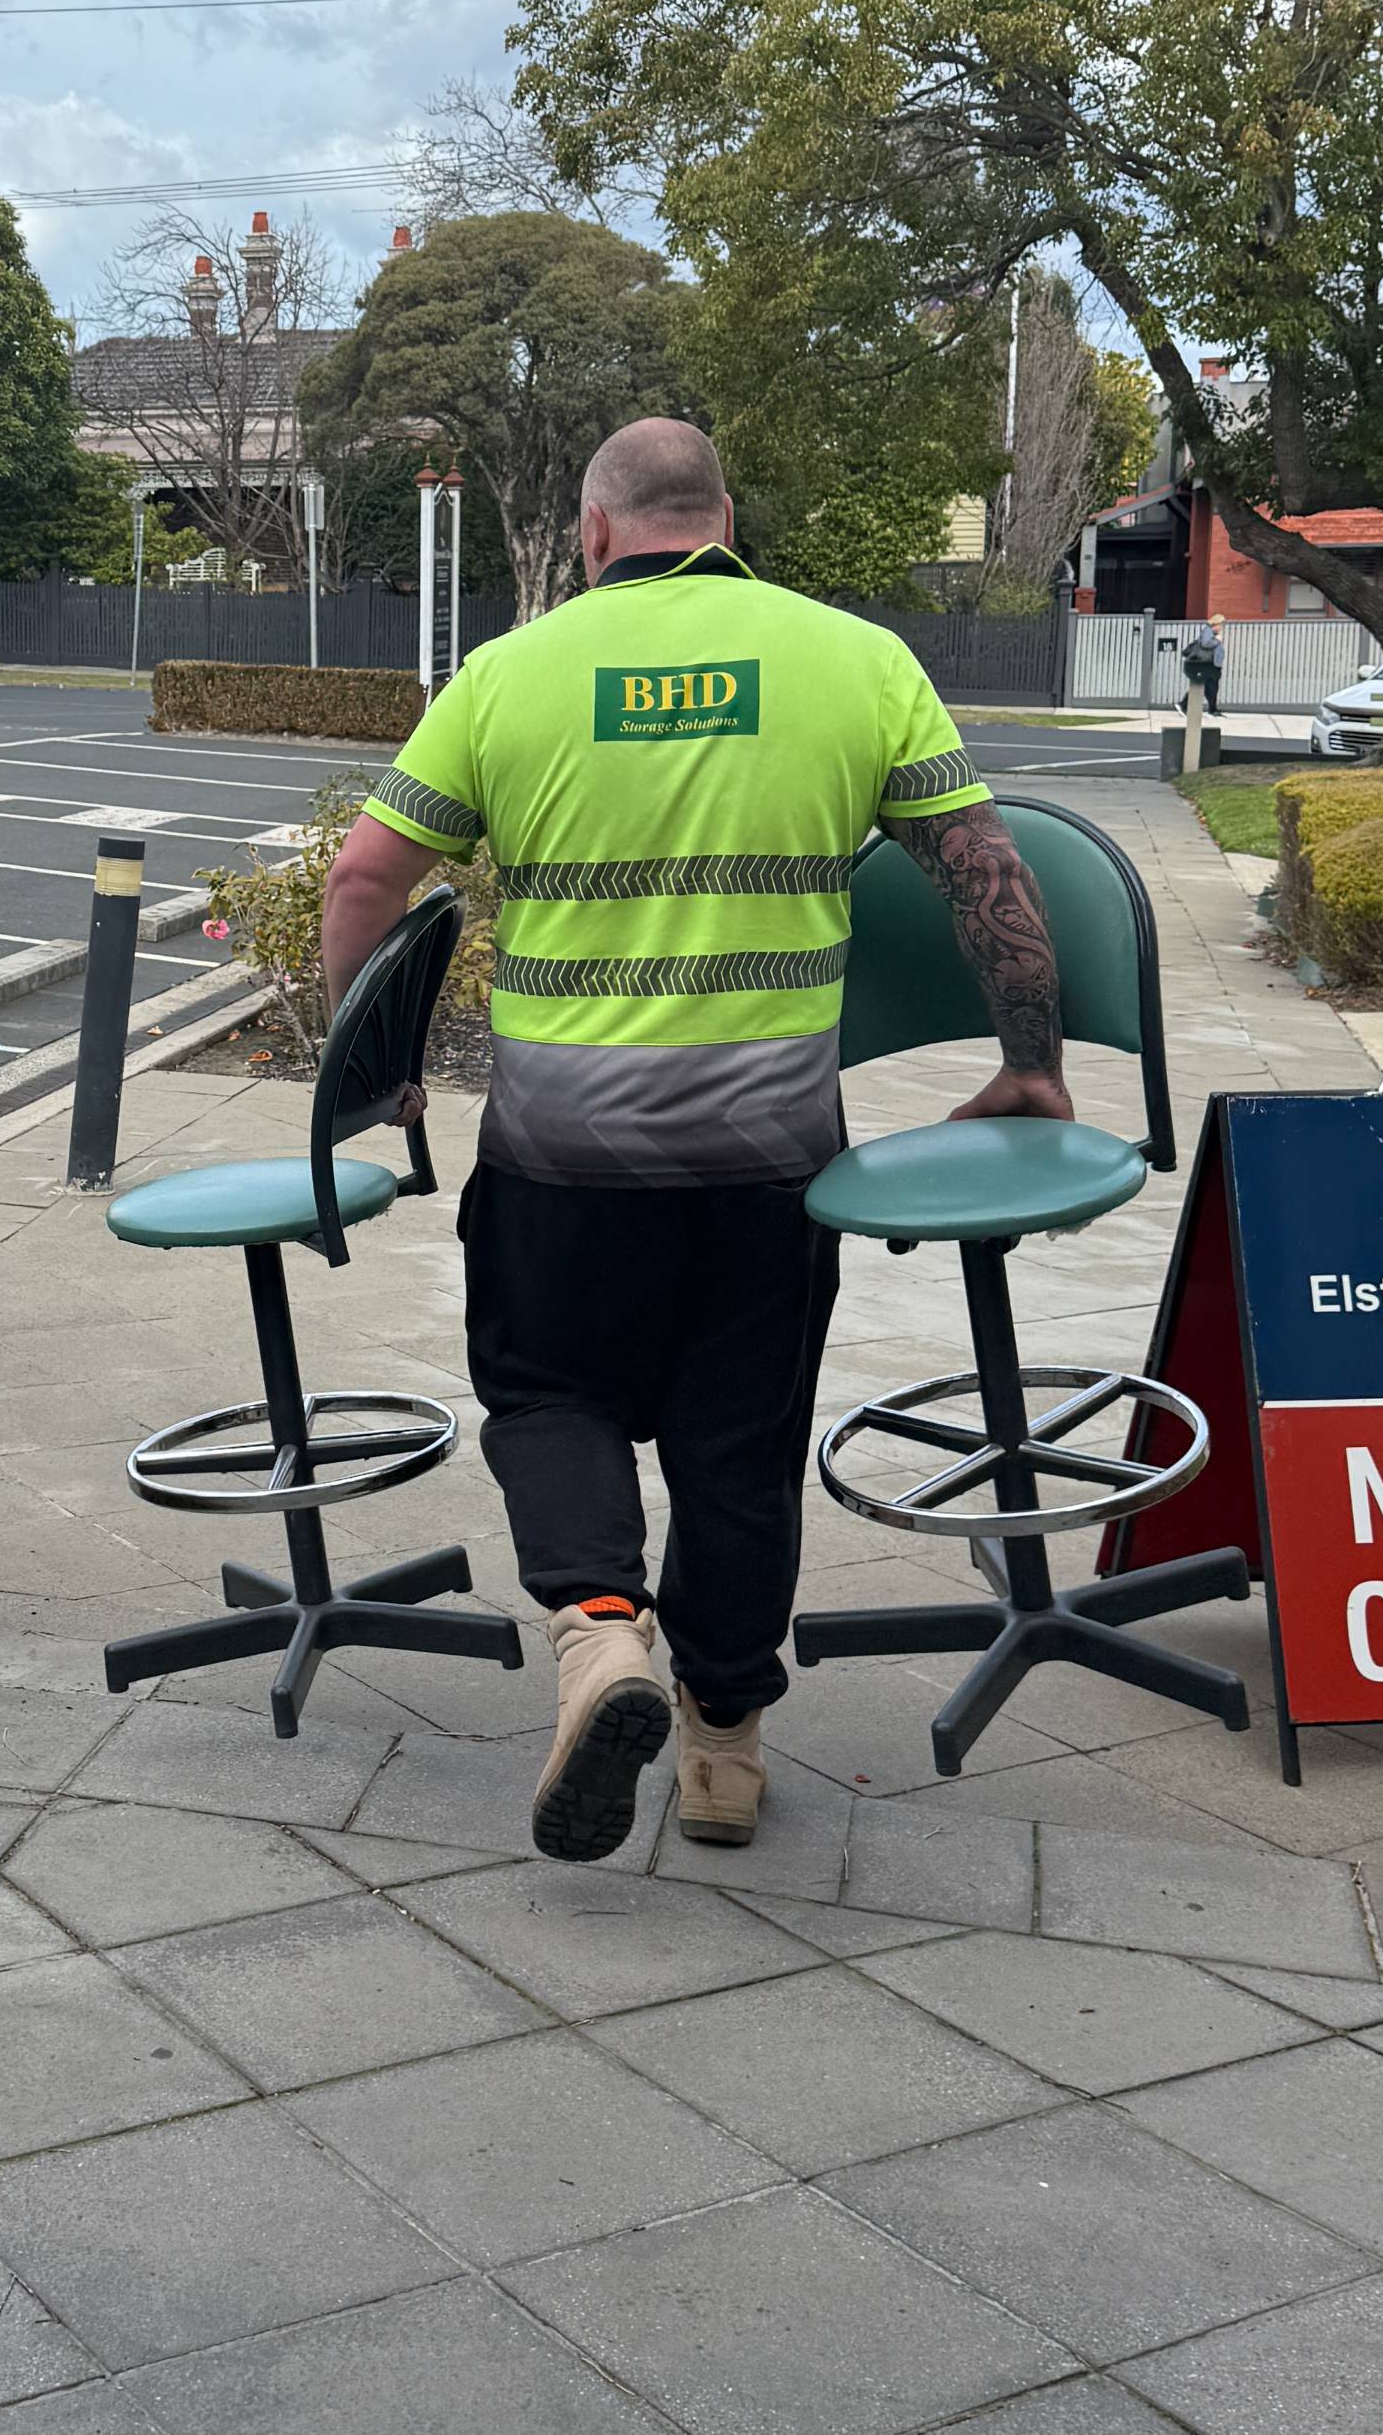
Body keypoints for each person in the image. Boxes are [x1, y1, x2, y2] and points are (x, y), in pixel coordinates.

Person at [318, 417, 1068, 1863]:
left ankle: (600, 1634)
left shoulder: (509, 673)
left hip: (561, 1154)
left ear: (596, 533)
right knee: (739, 1446)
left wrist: (367, 1076)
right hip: (769, 1160)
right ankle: (722, 1748)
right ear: (725, 518)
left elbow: (364, 873)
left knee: (547, 1398)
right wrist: (1028, 1064)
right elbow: (985, 866)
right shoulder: (852, 660)